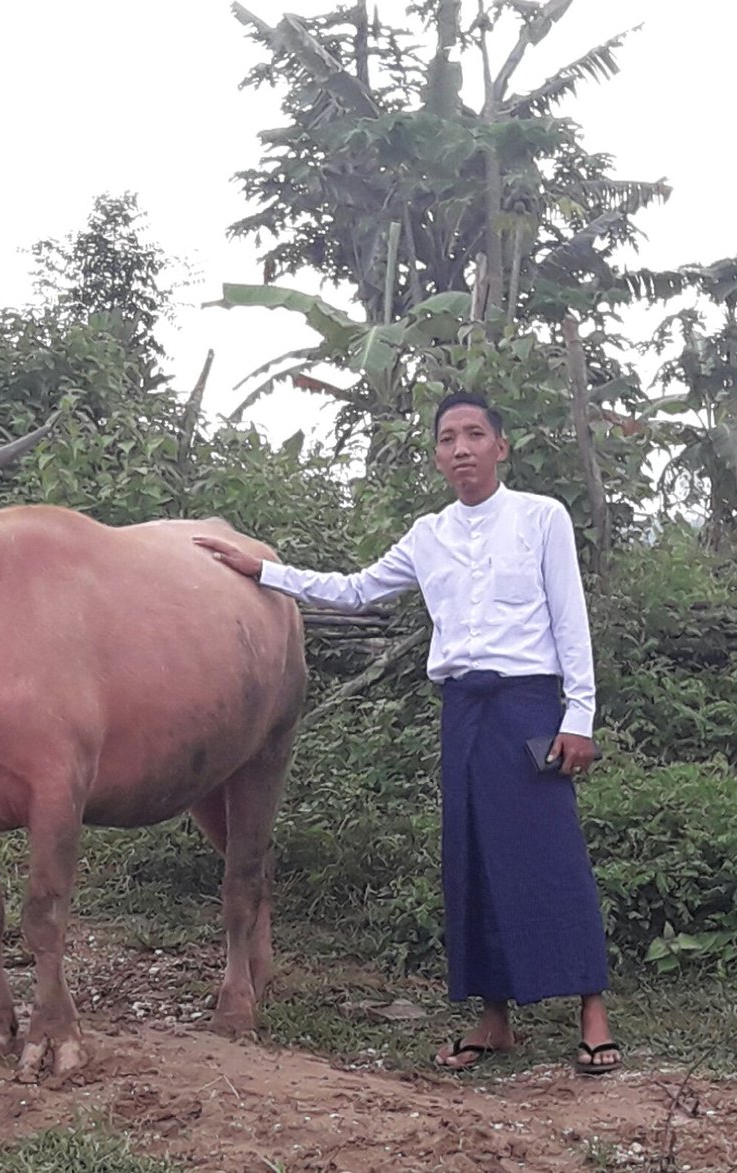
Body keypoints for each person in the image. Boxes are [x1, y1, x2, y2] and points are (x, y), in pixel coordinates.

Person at [193, 392, 621, 1074]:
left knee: (551, 853)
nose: (461, 448)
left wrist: (579, 716)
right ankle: (493, 1017)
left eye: (475, 433)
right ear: (436, 455)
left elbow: (571, 621)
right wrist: (263, 571)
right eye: (448, 437)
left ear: (501, 447)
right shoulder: (430, 535)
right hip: (464, 711)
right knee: (473, 860)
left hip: (530, 706)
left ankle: (591, 1011)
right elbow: (357, 588)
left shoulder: (542, 518)